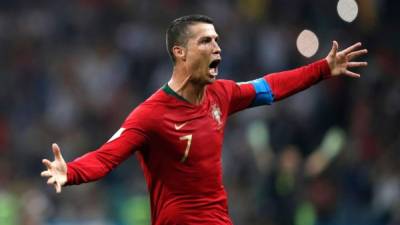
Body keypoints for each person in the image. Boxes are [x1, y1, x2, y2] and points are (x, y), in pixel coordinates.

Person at [41, 15, 367, 225]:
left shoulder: (220, 96)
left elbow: (270, 87)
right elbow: (106, 156)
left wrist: (323, 69)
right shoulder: (151, 114)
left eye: (217, 40)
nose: (217, 49)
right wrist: (70, 172)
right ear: (180, 52)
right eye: (206, 41)